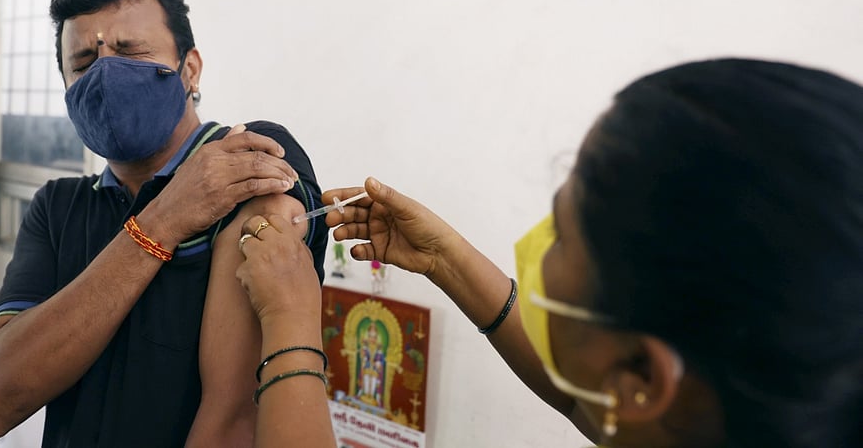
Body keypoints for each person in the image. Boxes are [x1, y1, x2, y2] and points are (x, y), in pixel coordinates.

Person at [235, 58, 863, 447]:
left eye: (562, 231)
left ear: (642, 377)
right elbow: (582, 399)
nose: (540, 242)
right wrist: (446, 259)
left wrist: (289, 321)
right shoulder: (706, 417)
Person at [0, 0, 328, 447]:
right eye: (82, 62)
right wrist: (164, 218)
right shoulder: (58, 207)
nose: (105, 71)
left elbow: (233, 418)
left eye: (130, 50)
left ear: (191, 68)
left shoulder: (247, 157)